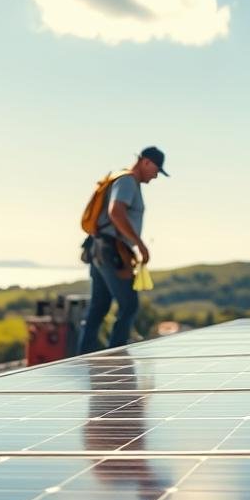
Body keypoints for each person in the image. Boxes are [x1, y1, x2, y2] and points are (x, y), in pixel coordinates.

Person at [78, 146, 168, 353]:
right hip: (111, 251)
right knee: (129, 305)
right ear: (146, 162)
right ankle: (116, 356)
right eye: (156, 170)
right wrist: (139, 243)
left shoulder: (121, 179)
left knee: (99, 307)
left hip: (99, 249)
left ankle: (83, 356)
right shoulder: (128, 181)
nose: (155, 176)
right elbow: (116, 212)